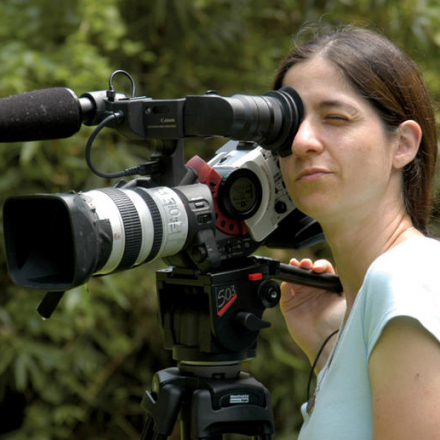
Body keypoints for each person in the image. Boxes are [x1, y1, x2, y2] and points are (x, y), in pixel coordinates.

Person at [274, 26, 440, 439]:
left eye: (335, 118)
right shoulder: (386, 293)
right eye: (289, 123)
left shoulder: (404, 278)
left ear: (402, 144)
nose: (302, 141)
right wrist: (332, 345)